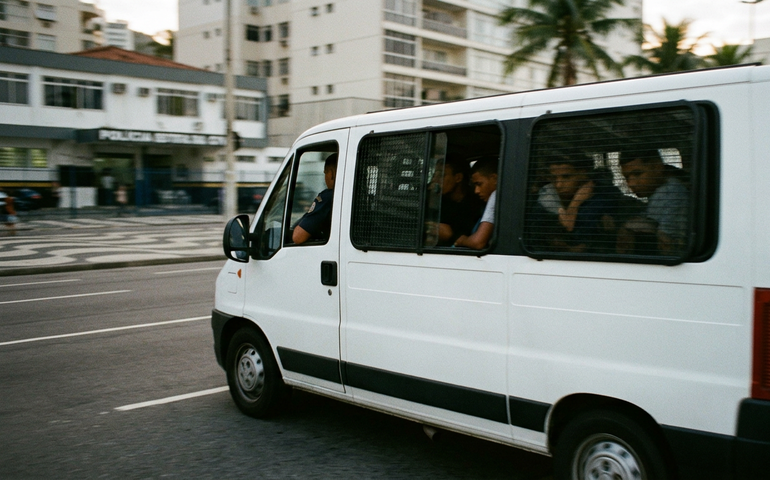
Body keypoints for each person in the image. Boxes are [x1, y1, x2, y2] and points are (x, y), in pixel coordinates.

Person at [617, 148, 688, 254]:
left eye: (637, 174)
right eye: (627, 178)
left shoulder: (671, 194)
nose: (631, 184)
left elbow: (667, 245)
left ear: (657, 167)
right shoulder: (659, 192)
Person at [433, 156, 483, 246]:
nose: (434, 180)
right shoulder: (439, 201)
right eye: (434, 175)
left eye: (441, 175)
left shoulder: (477, 204)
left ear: (458, 178)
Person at [292, 153, 338, 245]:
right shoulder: (360, 197)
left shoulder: (329, 197)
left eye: (325, 173)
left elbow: (298, 237)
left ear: (331, 173)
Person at [454, 157, 497, 250]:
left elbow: (478, 242)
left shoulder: (496, 195)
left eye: (479, 184)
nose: (476, 191)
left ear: (494, 178)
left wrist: (462, 240)